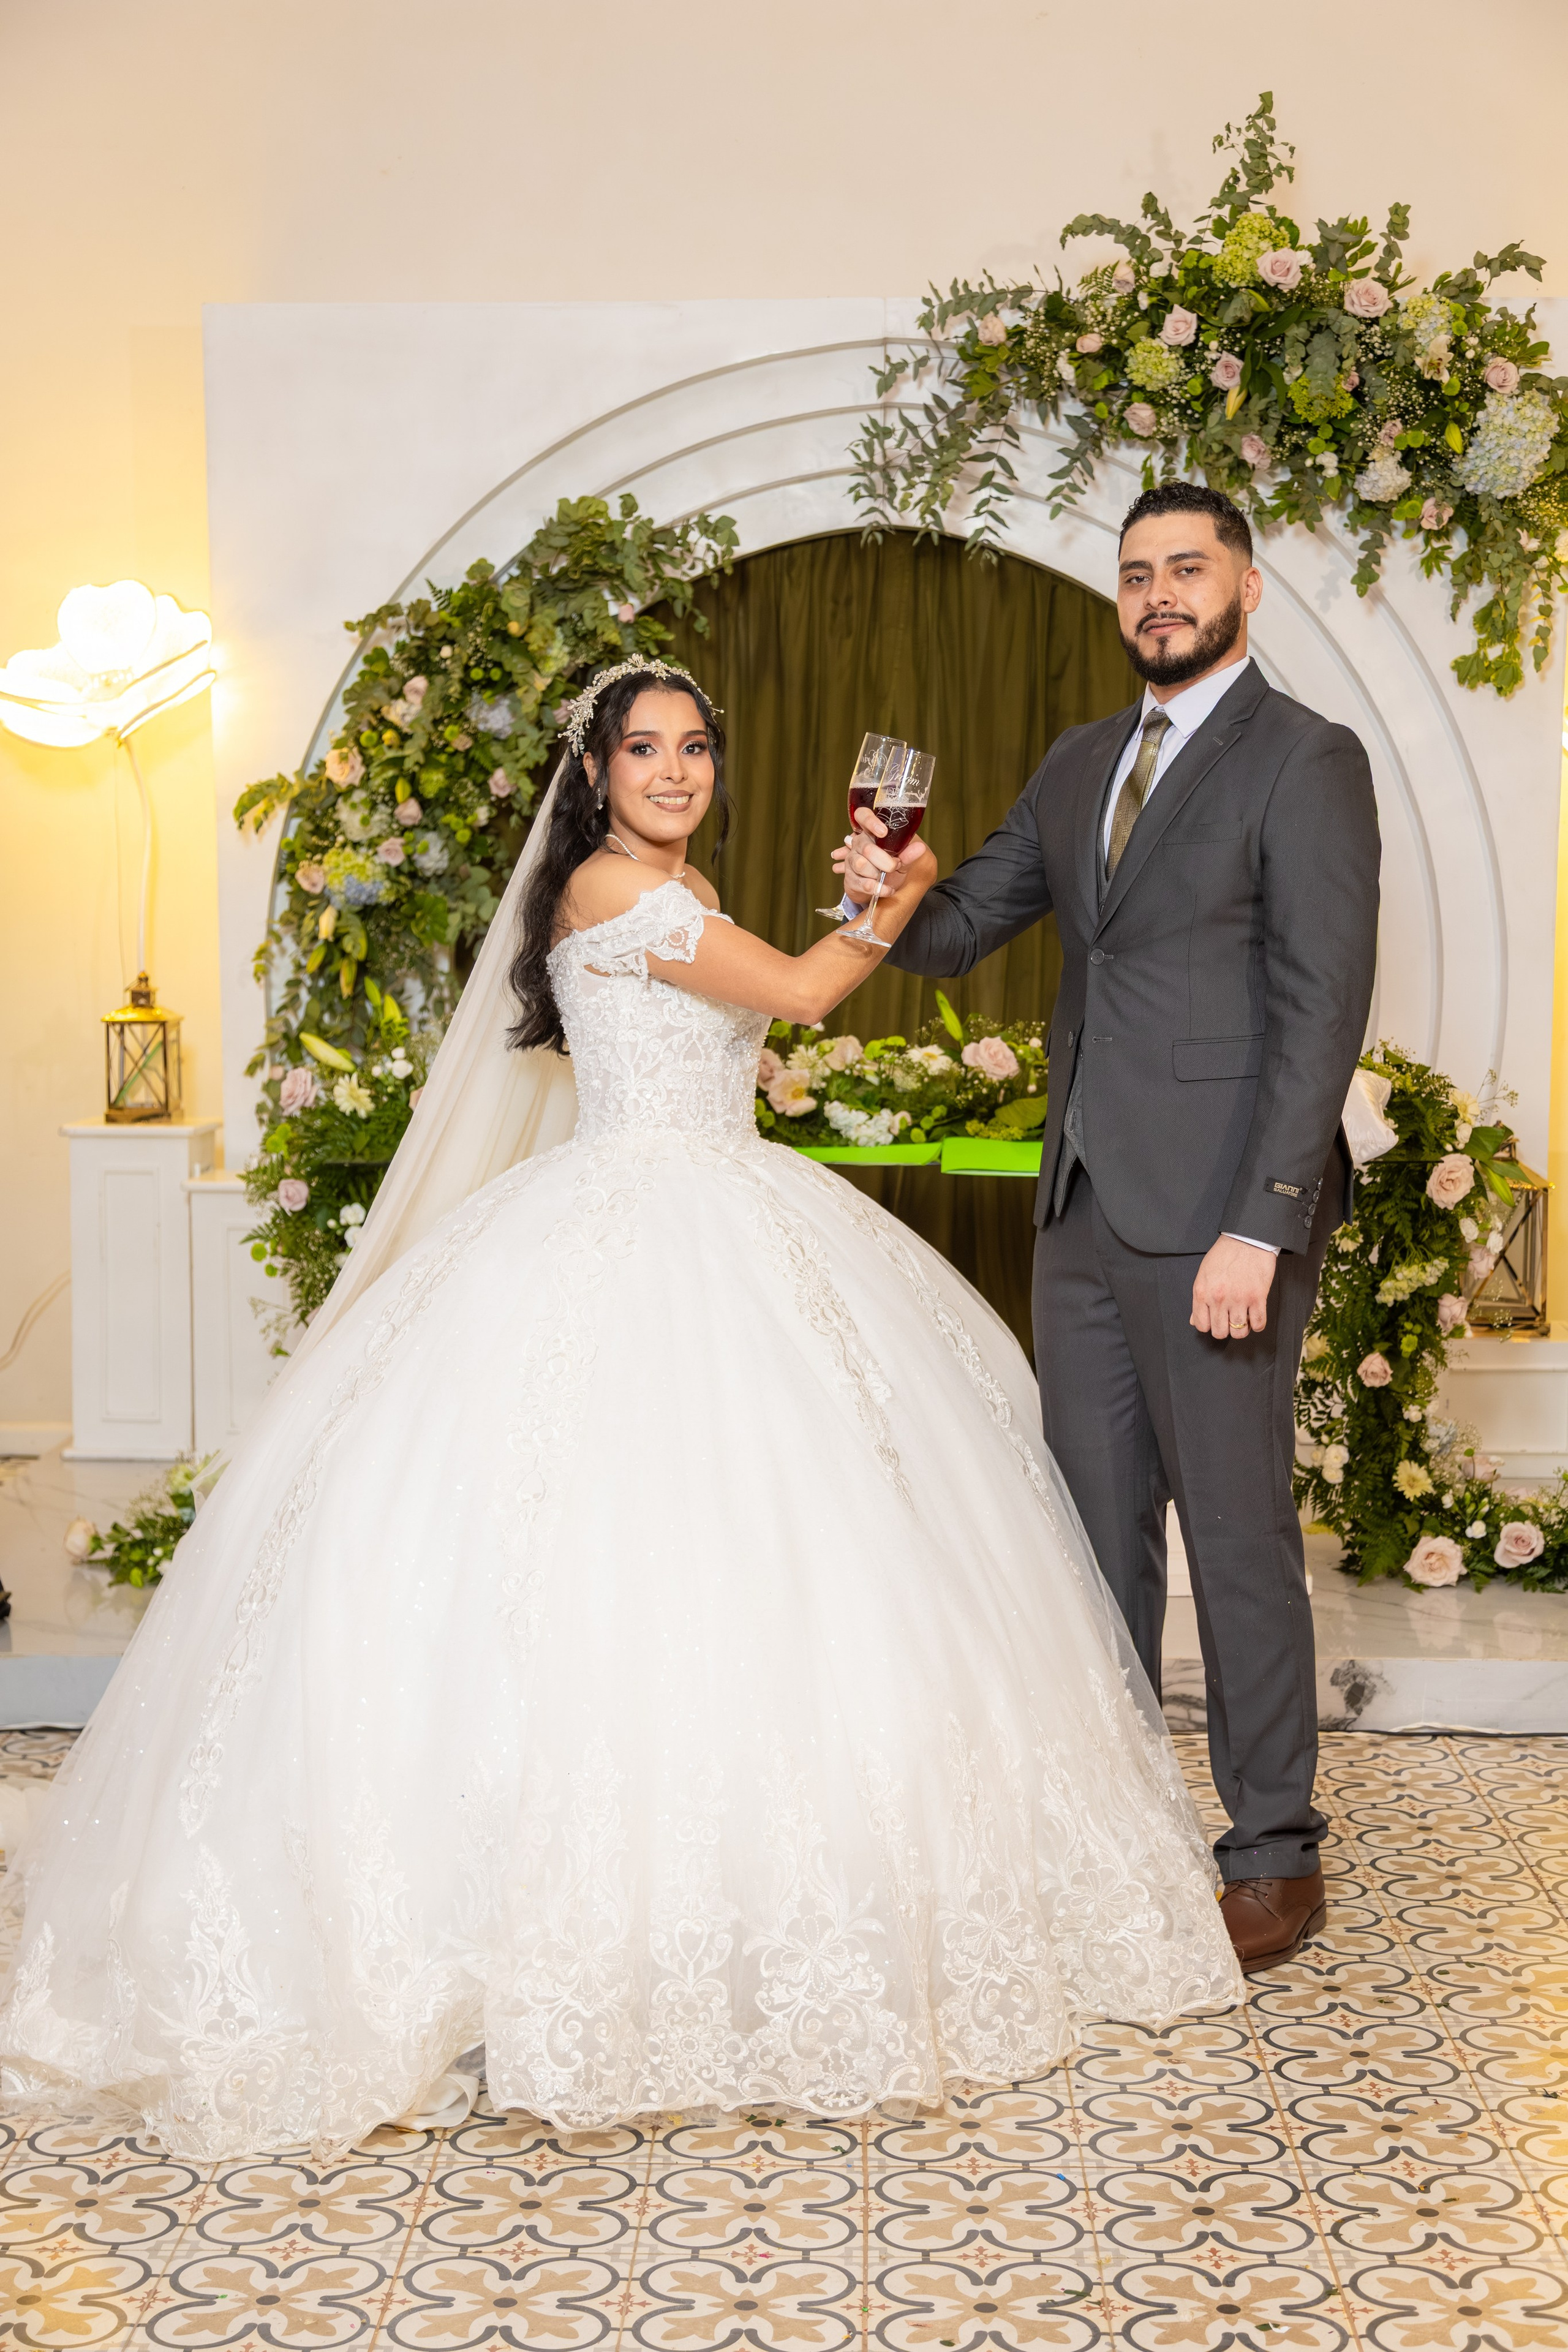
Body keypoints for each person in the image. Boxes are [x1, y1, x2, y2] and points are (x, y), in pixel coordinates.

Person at [0, 658, 1241, 2160]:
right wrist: (898, 897)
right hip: (636, 1220)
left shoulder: (683, 885)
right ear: (592, 776)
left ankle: (754, 1911)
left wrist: (876, 898)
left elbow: (745, 1020)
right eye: (642, 749)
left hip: (728, 1204)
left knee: (796, 1559)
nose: (673, 770)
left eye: (695, 746)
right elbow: (796, 993)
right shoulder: (605, 888)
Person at [839, 484, 1380, 1975]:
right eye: (1135, 573)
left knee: (1234, 1534)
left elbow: (1319, 1008)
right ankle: (1116, 1832)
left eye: (1186, 569)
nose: (1156, 594)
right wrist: (886, 895)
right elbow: (958, 932)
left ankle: (1273, 1853)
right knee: (1089, 1541)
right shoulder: (1081, 760)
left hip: (1219, 1222)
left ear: (1245, 588)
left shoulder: (1305, 760)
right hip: (1078, 1208)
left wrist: (1261, 1226)